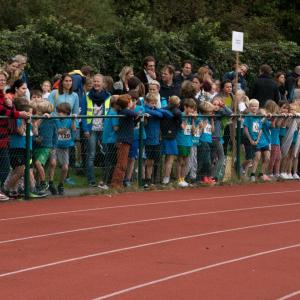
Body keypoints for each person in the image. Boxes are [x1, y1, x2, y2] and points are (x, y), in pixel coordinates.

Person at [3, 97, 43, 198]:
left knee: (24, 170)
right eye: (28, 113)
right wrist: (24, 122)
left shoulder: (28, 120)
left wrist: (33, 124)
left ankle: (19, 189)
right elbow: (20, 132)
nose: (30, 115)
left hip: (25, 147)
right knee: (19, 171)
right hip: (17, 147)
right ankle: (5, 188)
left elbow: (35, 133)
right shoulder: (18, 119)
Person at [0, 70, 30, 201]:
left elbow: (10, 111)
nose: (1, 82)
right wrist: (19, 114)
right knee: (5, 166)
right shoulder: (5, 97)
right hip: (2, 136)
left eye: (3, 80)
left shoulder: (4, 96)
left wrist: (11, 107)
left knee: (5, 166)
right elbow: (3, 111)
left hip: (4, 136)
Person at [81, 74, 111, 187]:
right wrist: (85, 129)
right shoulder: (87, 96)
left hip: (105, 129)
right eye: (95, 81)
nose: (96, 83)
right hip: (91, 129)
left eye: (98, 82)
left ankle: (106, 179)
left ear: (103, 83)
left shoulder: (108, 96)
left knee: (107, 154)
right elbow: (83, 114)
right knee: (91, 155)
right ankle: (91, 181)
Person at [111, 94, 140, 188]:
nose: (132, 102)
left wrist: (137, 117)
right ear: (127, 103)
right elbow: (134, 114)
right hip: (123, 141)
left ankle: (118, 183)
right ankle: (116, 183)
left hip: (127, 140)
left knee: (123, 163)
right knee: (122, 163)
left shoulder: (126, 112)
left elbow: (133, 120)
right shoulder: (125, 111)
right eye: (130, 101)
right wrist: (138, 114)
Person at [52, 103, 76, 195]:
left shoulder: (70, 120)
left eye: (62, 112)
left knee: (65, 167)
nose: (60, 114)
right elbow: (55, 130)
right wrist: (60, 131)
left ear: (67, 113)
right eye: (59, 112)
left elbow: (74, 129)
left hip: (65, 147)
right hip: (55, 146)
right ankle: (49, 183)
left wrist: (73, 120)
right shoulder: (55, 119)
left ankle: (61, 184)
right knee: (52, 164)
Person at [33, 101, 57, 193]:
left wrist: (53, 147)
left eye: (39, 110)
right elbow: (35, 129)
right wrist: (41, 118)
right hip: (36, 146)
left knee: (39, 163)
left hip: (46, 147)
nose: (37, 111)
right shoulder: (38, 119)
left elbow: (55, 135)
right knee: (35, 166)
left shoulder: (51, 120)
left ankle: (44, 183)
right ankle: (37, 184)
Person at [160, 95, 182, 185]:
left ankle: (164, 177)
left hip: (163, 135)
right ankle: (166, 178)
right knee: (170, 159)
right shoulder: (177, 112)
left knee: (166, 159)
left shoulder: (163, 109)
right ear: (178, 104)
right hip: (171, 137)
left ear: (169, 101)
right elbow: (179, 118)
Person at [176, 98, 197, 187]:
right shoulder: (181, 115)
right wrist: (186, 118)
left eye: (193, 108)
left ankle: (183, 178)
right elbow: (182, 127)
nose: (192, 110)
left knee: (186, 161)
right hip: (181, 141)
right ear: (185, 107)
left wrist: (192, 120)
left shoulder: (191, 118)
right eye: (190, 108)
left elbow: (193, 131)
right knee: (180, 161)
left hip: (189, 142)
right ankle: (178, 179)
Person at [101, 96, 119, 188]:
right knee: (111, 162)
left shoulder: (109, 111)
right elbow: (115, 127)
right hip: (111, 140)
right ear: (115, 104)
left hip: (107, 139)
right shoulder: (114, 113)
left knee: (108, 161)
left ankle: (104, 181)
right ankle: (106, 182)